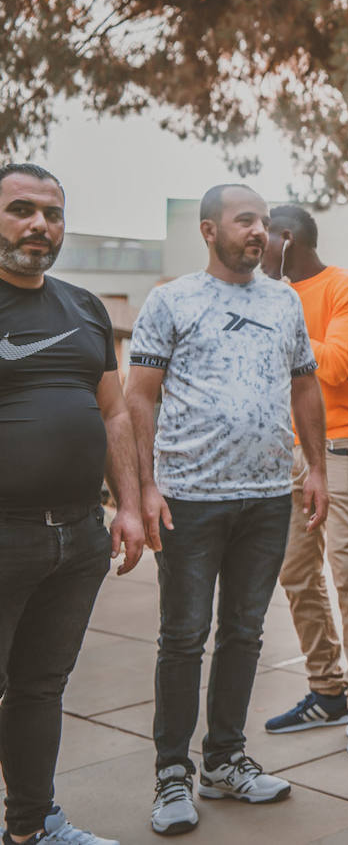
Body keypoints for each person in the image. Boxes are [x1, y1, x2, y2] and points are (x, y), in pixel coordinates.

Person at [125, 183, 330, 836]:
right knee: (183, 637)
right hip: (189, 497)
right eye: (246, 221)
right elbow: (139, 400)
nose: (259, 233)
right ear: (209, 230)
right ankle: (171, 776)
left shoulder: (284, 300)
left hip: (267, 498)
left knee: (244, 633)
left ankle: (224, 761)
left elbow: (305, 385)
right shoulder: (171, 300)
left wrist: (318, 468)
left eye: (265, 223)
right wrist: (146, 487)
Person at [0, 163, 145, 845]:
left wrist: (129, 506)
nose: (39, 225)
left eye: (52, 213)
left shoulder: (86, 307)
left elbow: (114, 415)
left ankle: (32, 827)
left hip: (79, 539)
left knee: (40, 688)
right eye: (21, 209)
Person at [258, 204, 348, 756]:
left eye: (262, 238)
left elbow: (332, 365)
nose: (254, 247)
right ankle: (326, 689)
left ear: (287, 238)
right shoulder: (271, 297)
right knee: (295, 573)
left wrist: (272, 322)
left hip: (340, 447)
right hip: (283, 454)